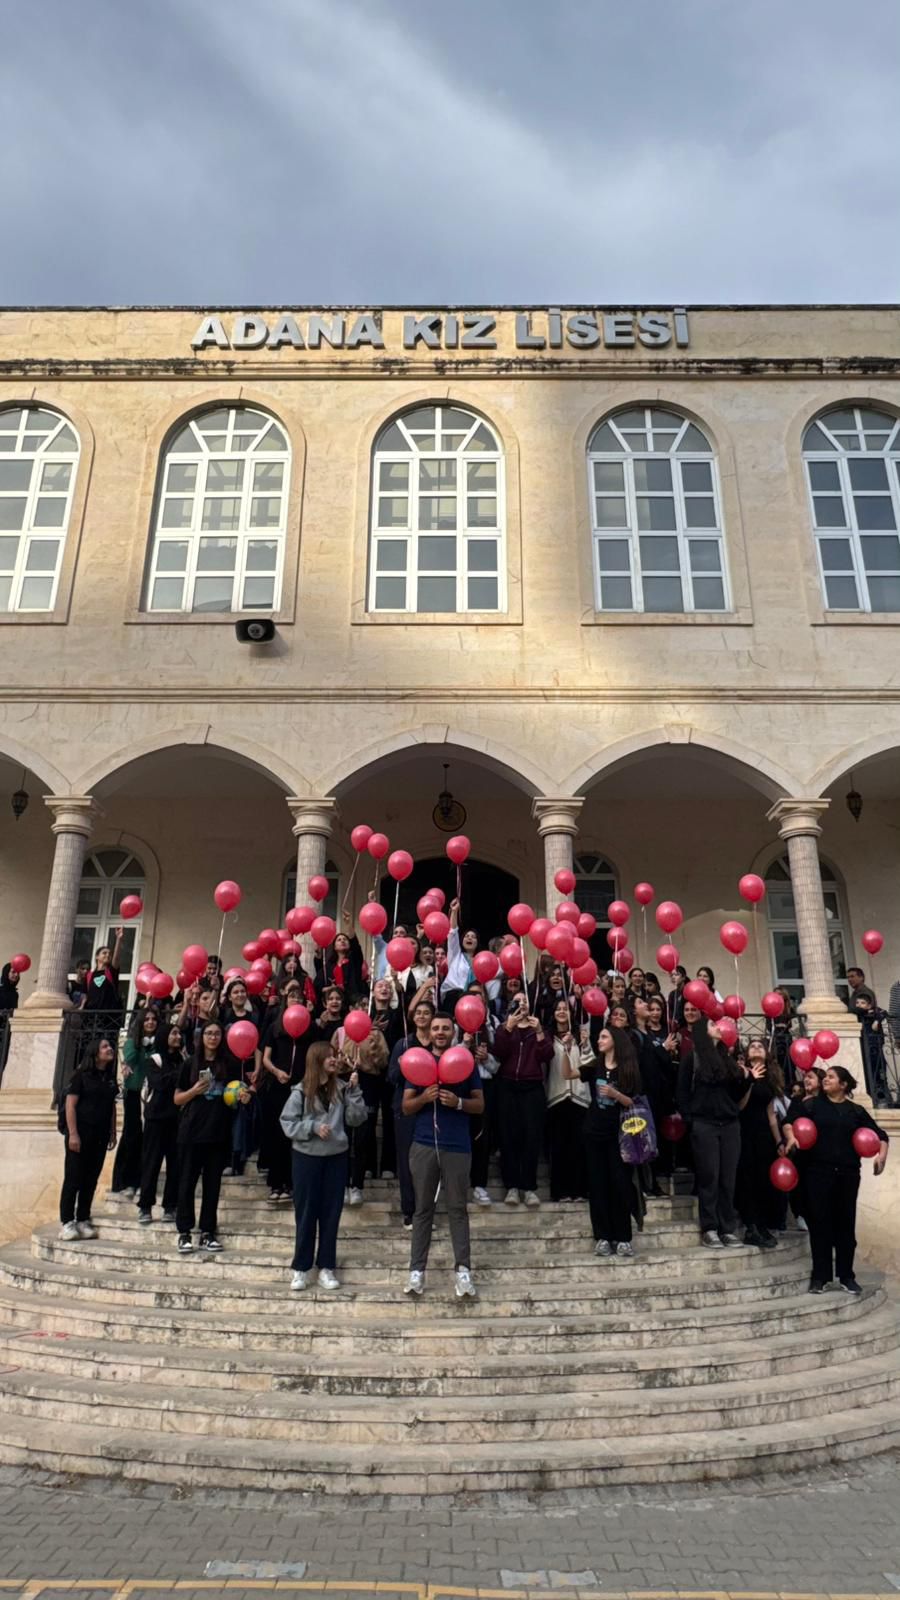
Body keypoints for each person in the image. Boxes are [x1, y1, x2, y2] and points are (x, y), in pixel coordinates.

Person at [784, 1065, 888, 1293]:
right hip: (818, 1172)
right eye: (826, 1076)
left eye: (831, 1077)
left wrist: (881, 1157)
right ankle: (820, 1277)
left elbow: (881, 1135)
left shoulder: (855, 1111)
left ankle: (846, 1276)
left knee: (845, 1225)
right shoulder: (812, 1105)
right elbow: (789, 1121)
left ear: (844, 1084)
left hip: (848, 1174)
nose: (826, 1079)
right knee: (820, 1224)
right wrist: (791, 1138)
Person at [402, 1012, 484, 1299]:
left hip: (457, 1146)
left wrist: (459, 1102)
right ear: (429, 1030)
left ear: (453, 1032)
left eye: (445, 1028)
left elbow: (480, 1104)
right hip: (423, 1144)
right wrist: (424, 1098)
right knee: (423, 1209)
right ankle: (416, 1272)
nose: (439, 1032)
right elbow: (406, 1107)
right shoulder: (418, 1061)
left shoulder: (465, 1061)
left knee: (458, 1208)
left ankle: (463, 1271)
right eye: (435, 1028)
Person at [280, 1040, 367, 1291]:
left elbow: (356, 1119)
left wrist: (355, 1092)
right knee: (306, 1212)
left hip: (336, 1157)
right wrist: (312, 1127)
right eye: (329, 1056)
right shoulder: (300, 1091)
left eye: (335, 1055)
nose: (334, 1060)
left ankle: (326, 1267)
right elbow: (287, 1123)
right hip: (306, 1158)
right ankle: (301, 1267)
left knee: (331, 1213)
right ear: (316, 1060)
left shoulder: (343, 1088)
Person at [173, 1020, 248, 1254]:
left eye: (217, 1034)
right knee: (187, 1183)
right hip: (191, 1132)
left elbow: (239, 1091)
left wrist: (244, 1096)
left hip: (218, 1132)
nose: (213, 1037)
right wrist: (193, 1091)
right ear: (201, 1037)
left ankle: (207, 1232)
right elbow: (177, 1098)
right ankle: (184, 1232)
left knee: (212, 1186)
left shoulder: (229, 1064)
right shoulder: (190, 1063)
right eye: (209, 1033)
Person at [677, 1012, 749, 1247]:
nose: (718, 1027)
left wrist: (747, 1079)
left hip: (730, 1124)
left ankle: (727, 1228)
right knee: (709, 1177)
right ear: (702, 1032)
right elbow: (682, 1092)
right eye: (712, 1024)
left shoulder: (728, 1059)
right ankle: (710, 1227)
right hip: (704, 1124)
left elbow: (735, 1094)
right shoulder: (693, 1059)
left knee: (728, 1179)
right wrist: (690, 1120)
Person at [579, 1024, 642, 1259]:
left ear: (615, 1040)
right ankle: (603, 1237)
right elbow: (568, 1074)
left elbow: (634, 1101)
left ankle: (623, 1237)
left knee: (620, 1184)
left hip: (620, 1134)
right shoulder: (595, 1065)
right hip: (594, 1132)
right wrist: (566, 1051)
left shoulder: (628, 1068)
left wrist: (615, 1094)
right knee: (597, 1185)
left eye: (604, 1037)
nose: (599, 1040)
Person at [494, 993, 552, 1206]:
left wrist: (539, 1033)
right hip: (508, 1086)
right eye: (517, 1001)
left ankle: (529, 1187)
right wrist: (508, 1029)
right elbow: (499, 1053)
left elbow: (546, 1055)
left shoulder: (539, 1028)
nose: (522, 1004)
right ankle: (511, 1187)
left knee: (531, 1138)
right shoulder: (504, 1028)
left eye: (525, 1000)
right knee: (508, 1137)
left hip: (532, 1087)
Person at [59, 1038, 118, 1240]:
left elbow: (112, 1106)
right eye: (104, 1046)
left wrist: (112, 1132)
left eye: (110, 1046)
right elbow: (70, 1105)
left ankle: (83, 1217)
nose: (109, 1049)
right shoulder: (80, 1076)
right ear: (95, 1053)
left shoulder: (109, 1078)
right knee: (73, 1177)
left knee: (91, 1178)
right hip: (81, 1133)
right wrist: (73, 1133)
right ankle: (67, 1221)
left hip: (100, 1135)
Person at [387, 997, 435, 1227]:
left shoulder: (438, 1043)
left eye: (426, 1013)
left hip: (432, 1107)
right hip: (406, 1108)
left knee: (430, 1163)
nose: (422, 1016)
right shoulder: (404, 1043)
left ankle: (426, 1212)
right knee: (407, 1161)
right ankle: (409, 1211)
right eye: (418, 1013)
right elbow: (391, 1077)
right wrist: (403, 1065)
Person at [735, 1038, 783, 1248]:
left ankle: (762, 1224)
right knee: (747, 1178)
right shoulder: (742, 1073)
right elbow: (740, 1105)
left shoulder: (770, 1078)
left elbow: (771, 1114)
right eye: (752, 1046)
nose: (756, 1048)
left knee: (763, 1179)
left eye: (760, 1046)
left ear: (766, 1054)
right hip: (744, 1130)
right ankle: (750, 1226)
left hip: (764, 1133)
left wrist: (779, 1141)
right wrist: (750, 1080)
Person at [260, 989, 305, 1204]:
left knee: (294, 1137)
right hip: (278, 1088)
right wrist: (277, 1072)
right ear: (286, 1001)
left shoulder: (309, 1027)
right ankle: (276, 1184)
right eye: (292, 997)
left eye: (300, 997)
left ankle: (291, 1183)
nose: (296, 1000)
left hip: (301, 1089)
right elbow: (266, 1058)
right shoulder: (274, 1027)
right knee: (277, 1135)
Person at [137, 1022, 184, 1224]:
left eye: (179, 1034)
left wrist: (174, 1076)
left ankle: (170, 1206)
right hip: (156, 1118)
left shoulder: (183, 1059)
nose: (178, 1037)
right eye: (173, 1033)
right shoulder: (154, 1059)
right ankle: (145, 1205)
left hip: (176, 1119)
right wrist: (177, 1075)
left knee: (175, 1164)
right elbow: (160, 1083)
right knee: (151, 1162)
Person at [110, 1005, 159, 1198]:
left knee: (149, 1139)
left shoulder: (159, 1043)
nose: (150, 1022)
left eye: (153, 1019)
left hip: (152, 1094)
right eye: (146, 1019)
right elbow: (128, 1059)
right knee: (132, 1136)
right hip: (134, 1092)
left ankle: (141, 1181)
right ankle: (126, 1181)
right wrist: (131, 1059)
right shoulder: (132, 1043)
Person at [546, 998, 590, 1203]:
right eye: (558, 1009)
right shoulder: (548, 1038)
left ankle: (580, 1190)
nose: (562, 1011)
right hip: (556, 1096)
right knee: (559, 1146)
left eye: (566, 1008)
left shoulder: (580, 1036)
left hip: (580, 1097)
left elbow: (589, 1063)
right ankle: (561, 1191)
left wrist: (584, 1043)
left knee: (579, 1146)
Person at [341, 1028, 389, 1205]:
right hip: (345, 1084)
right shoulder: (341, 1032)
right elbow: (332, 1061)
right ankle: (344, 1184)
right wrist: (346, 1063)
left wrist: (373, 1049)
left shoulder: (376, 1034)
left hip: (369, 1085)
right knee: (344, 1138)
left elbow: (383, 1063)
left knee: (363, 1136)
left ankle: (357, 1185)